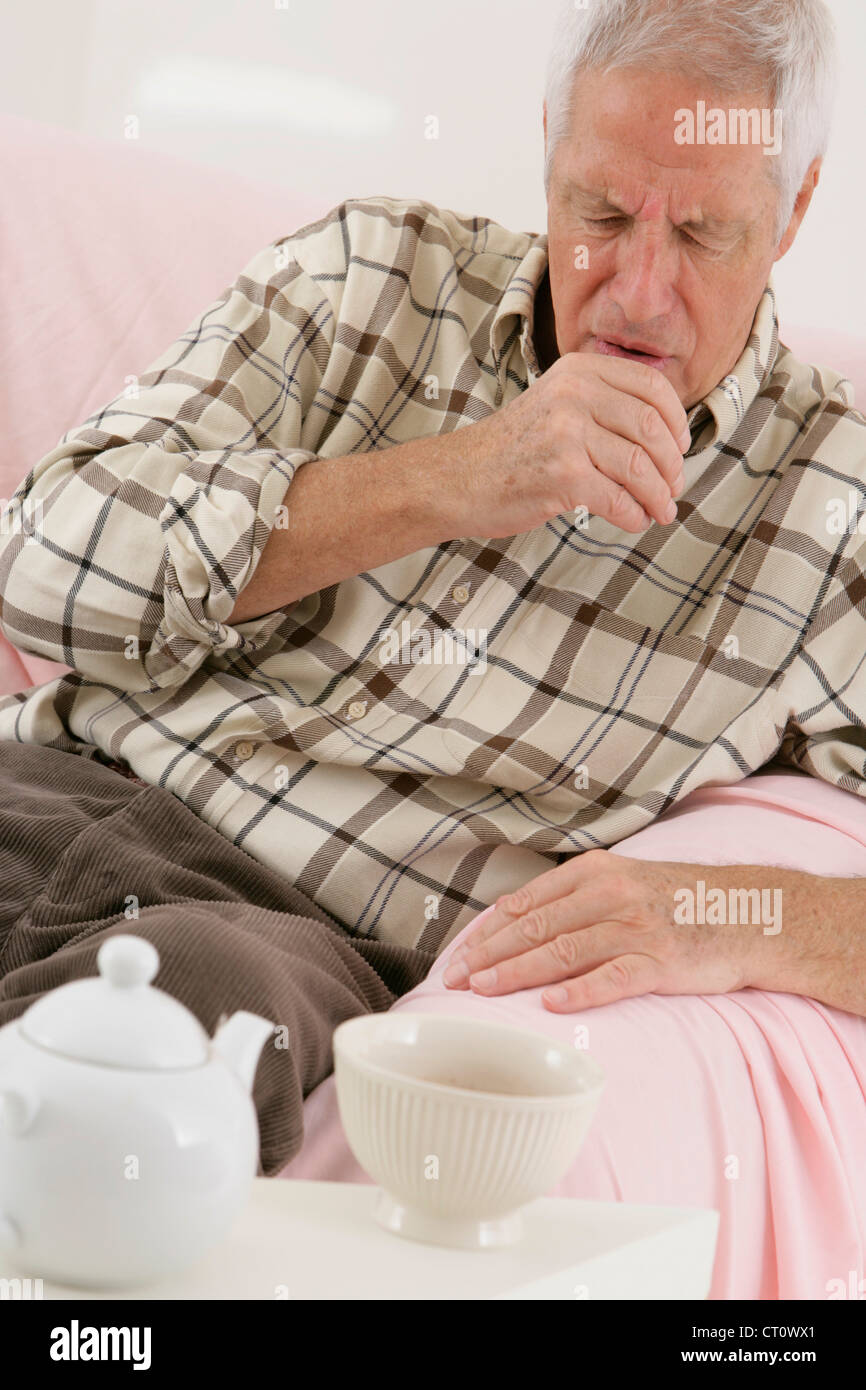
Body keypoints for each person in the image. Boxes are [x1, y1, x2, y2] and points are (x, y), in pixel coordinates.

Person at [1, 0, 863, 1178]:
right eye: (598, 214)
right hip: (42, 787)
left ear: (794, 208)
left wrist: (724, 913)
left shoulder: (829, 507)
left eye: (704, 233)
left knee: (124, 1081)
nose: (633, 294)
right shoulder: (370, 276)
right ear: (548, 148)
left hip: (271, 933)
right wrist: (458, 476)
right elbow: (37, 564)